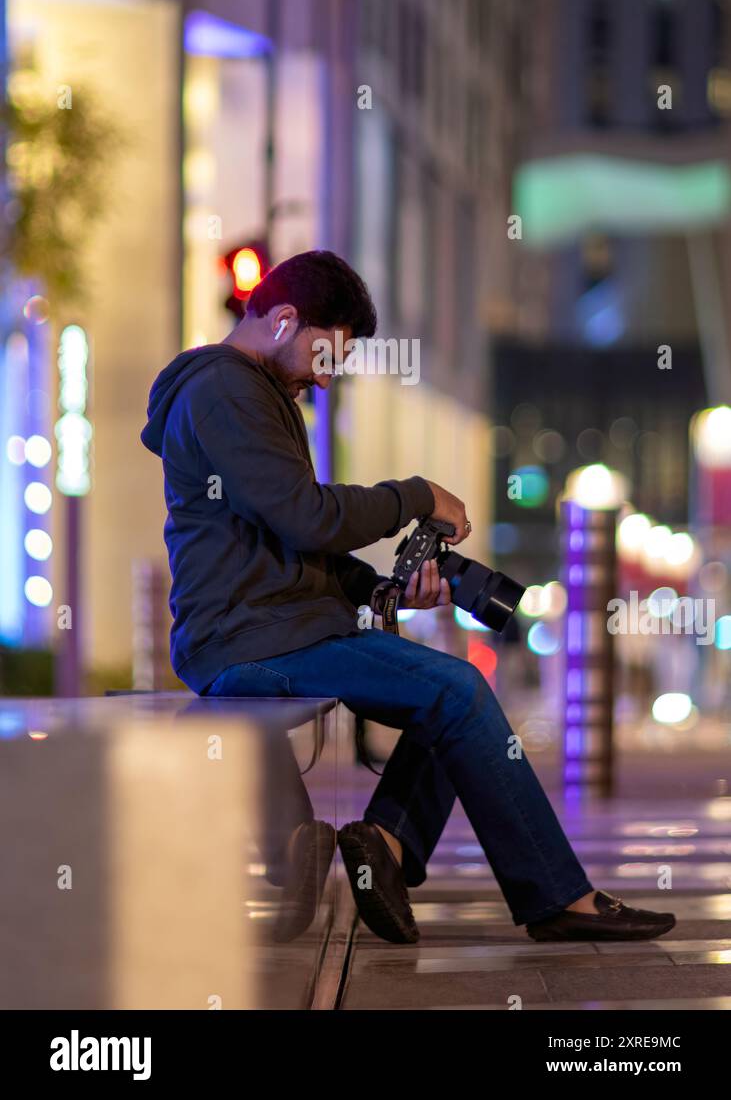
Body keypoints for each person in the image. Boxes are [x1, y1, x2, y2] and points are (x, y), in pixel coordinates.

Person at [141, 250, 675, 945]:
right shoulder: (222, 390)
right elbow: (306, 516)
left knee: (445, 696)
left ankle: (386, 849)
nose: (324, 377)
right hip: (251, 640)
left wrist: (384, 590)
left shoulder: (252, 393)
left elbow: (295, 542)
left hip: (277, 629)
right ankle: (554, 896)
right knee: (455, 690)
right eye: (322, 354)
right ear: (282, 319)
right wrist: (416, 495)